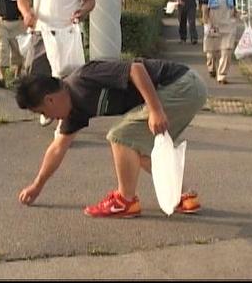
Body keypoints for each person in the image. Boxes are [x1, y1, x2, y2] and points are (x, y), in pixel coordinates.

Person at [15, 57, 207, 218]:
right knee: (135, 149)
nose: (48, 118)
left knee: (119, 136)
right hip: (186, 89)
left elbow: (135, 69)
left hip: (182, 84)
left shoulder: (83, 78)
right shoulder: (73, 112)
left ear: (50, 99)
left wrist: (155, 110)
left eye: (43, 111)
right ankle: (183, 196)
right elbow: (58, 147)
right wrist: (37, 185)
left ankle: (125, 201)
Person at [16, 0, 95, 126]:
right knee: (38, 75)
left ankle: (65, 117)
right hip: (41, 30)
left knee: (67, 77)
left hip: (68, 31)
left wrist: (83, 11)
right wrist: (27, 13)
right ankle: (46, 109)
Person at [202, 0, 239, 84]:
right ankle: (211, 67)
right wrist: (207, 24)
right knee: (211, 52)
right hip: (213, 27)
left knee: (226, 52)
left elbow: (234, 11)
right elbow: (204, 12)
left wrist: (242, 16)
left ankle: (222, 75)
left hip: (228, 28)